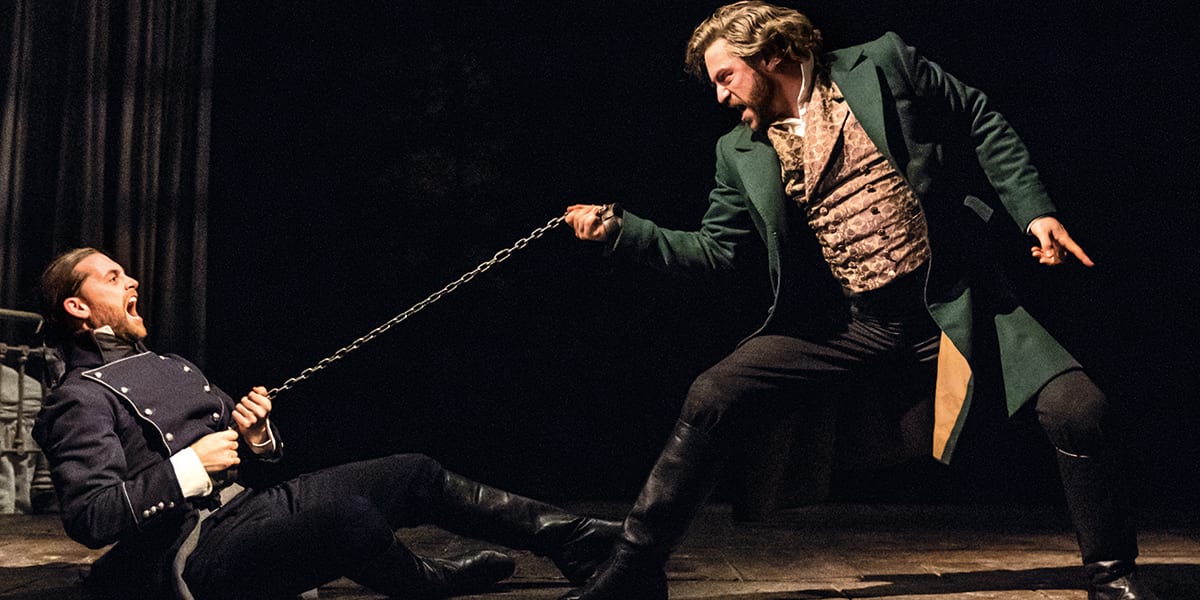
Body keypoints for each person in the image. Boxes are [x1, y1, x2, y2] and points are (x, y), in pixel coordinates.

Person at [561, 3, 1156, 600]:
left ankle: (1112, 578)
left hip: (955, 306)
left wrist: (1036, 213)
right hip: (855, 325)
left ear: (772, 55)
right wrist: (624, 233)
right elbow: (718, 251)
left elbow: (979, 117)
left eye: (726, 76)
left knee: (1080, 410)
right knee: (713, 394)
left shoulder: (883, 63)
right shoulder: (739, 151)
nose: (720, 96)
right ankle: (635, 567)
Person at [33, 247, 621, 600]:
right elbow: (91, 517)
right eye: (112, 277)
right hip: (195, 549)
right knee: (350, 518)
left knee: (413, 471)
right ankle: (426, 580)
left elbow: (251, 454)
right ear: (77, 307)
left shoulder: (171, 363)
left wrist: (257, 437)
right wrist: (189, 466)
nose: (132, 281)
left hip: (249, 508)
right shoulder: (77, 398)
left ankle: (573, 538)